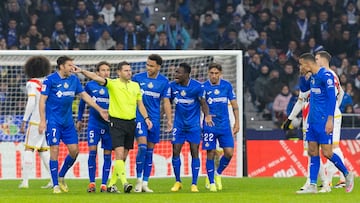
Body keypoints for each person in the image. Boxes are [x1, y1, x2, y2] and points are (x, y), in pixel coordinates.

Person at [73, 61, 153, 194]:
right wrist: (81, 71)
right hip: (116, 123)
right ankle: (124, 182)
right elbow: (95, 77)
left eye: (130, 70)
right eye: (126, 70)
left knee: (123, 156)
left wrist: (146, 118)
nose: (129, 72)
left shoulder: (135, 86)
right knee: (118, 154)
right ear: (119, 72)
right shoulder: (112, 84)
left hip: (131, 123)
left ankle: (110, 184)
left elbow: (140, 105)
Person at [39, 56, 108, 194]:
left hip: (68, 122)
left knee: (75, 151)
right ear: (61, 66)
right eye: (69, 65)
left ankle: (61, 175)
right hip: (53, 121)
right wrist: (42, 120)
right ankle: (55, 185)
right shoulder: (50, 80)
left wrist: (100, 109)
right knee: (54, 150)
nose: (72, 67)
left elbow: (84, 96)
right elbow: (42, 101)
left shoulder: (74, 80)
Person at [295, 53, 354, 194]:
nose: (300, 67)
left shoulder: (326, 76)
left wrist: (330, 120)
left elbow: (332, 99)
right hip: (312, 120)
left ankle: (347, 174)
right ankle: (313, 185)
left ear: (308, 64)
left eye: (301, 64)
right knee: (312, 151)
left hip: (323, 121)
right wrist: (303, 76)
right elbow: (303, 90)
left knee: (327, 152)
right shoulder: (313, 77)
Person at [169, 62, 213, 192]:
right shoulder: (172, 86)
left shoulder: (197, 87)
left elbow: (203, 103)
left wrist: (207, 116)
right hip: (179, 125)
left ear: (187, 74)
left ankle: (194, 183)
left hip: (193, 126)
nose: (175, 74)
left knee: (194, 152)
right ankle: (178, 181)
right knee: (175, 151)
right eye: (176, 72)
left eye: (179, 72)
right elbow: (167, 102)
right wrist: (162, 117)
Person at [132, 54, 173, 193]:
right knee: (142, 147)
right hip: (140, 118)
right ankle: (137, 180)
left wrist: (169, 119)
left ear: (158, 67)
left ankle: (145, 182)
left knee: (150, 151)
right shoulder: (137, 78)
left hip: (155, 119)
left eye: (151, 65)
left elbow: (166, 101)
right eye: (147, 64)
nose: (148, 67)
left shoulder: (164, 82)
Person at [201, 63, 239, 192]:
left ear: (220, 74)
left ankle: (217, 173)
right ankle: (211, 182)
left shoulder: (226, 86)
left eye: (216, 73)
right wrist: (206, 115)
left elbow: (234, 105)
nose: (214, 75)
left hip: (224, 125)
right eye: (211, 73)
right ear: (208, 74)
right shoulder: (203, 87)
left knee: (229, 153)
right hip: (209, 125)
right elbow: (199, 104)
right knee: (210, 153)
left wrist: (237, 122)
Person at [76, 61, 112, 193]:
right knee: (92, 152)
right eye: (103, 70)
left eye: (107, 70)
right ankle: (92, 183)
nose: (106, 72)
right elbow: (82, 103)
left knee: (107, 155)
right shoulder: (90, 86)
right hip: (94, 124)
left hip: (109, 125)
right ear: (97, 72)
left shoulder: (112, 86)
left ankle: (104, 184)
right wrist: (79, 119)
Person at [19, 56, 52, 189]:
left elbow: (31, 102)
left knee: (29, 149)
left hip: (36, 121)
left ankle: (25, 182)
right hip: (48, 121)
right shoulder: (48, 82)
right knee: (44, 151)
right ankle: (52, 180)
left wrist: (24, 121)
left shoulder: (32, 83)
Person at [315, 51, 347, 190]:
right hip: (328, 115)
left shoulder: (329, 75)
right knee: (328, 147)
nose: (315, 61)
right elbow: (342, 93)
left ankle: (333, 179)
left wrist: (333, 110)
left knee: (333, 147)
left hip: (331, 116)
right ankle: (340, 177)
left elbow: (336, 95)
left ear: (323, 60)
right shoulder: (327, 74)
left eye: (316, 59)